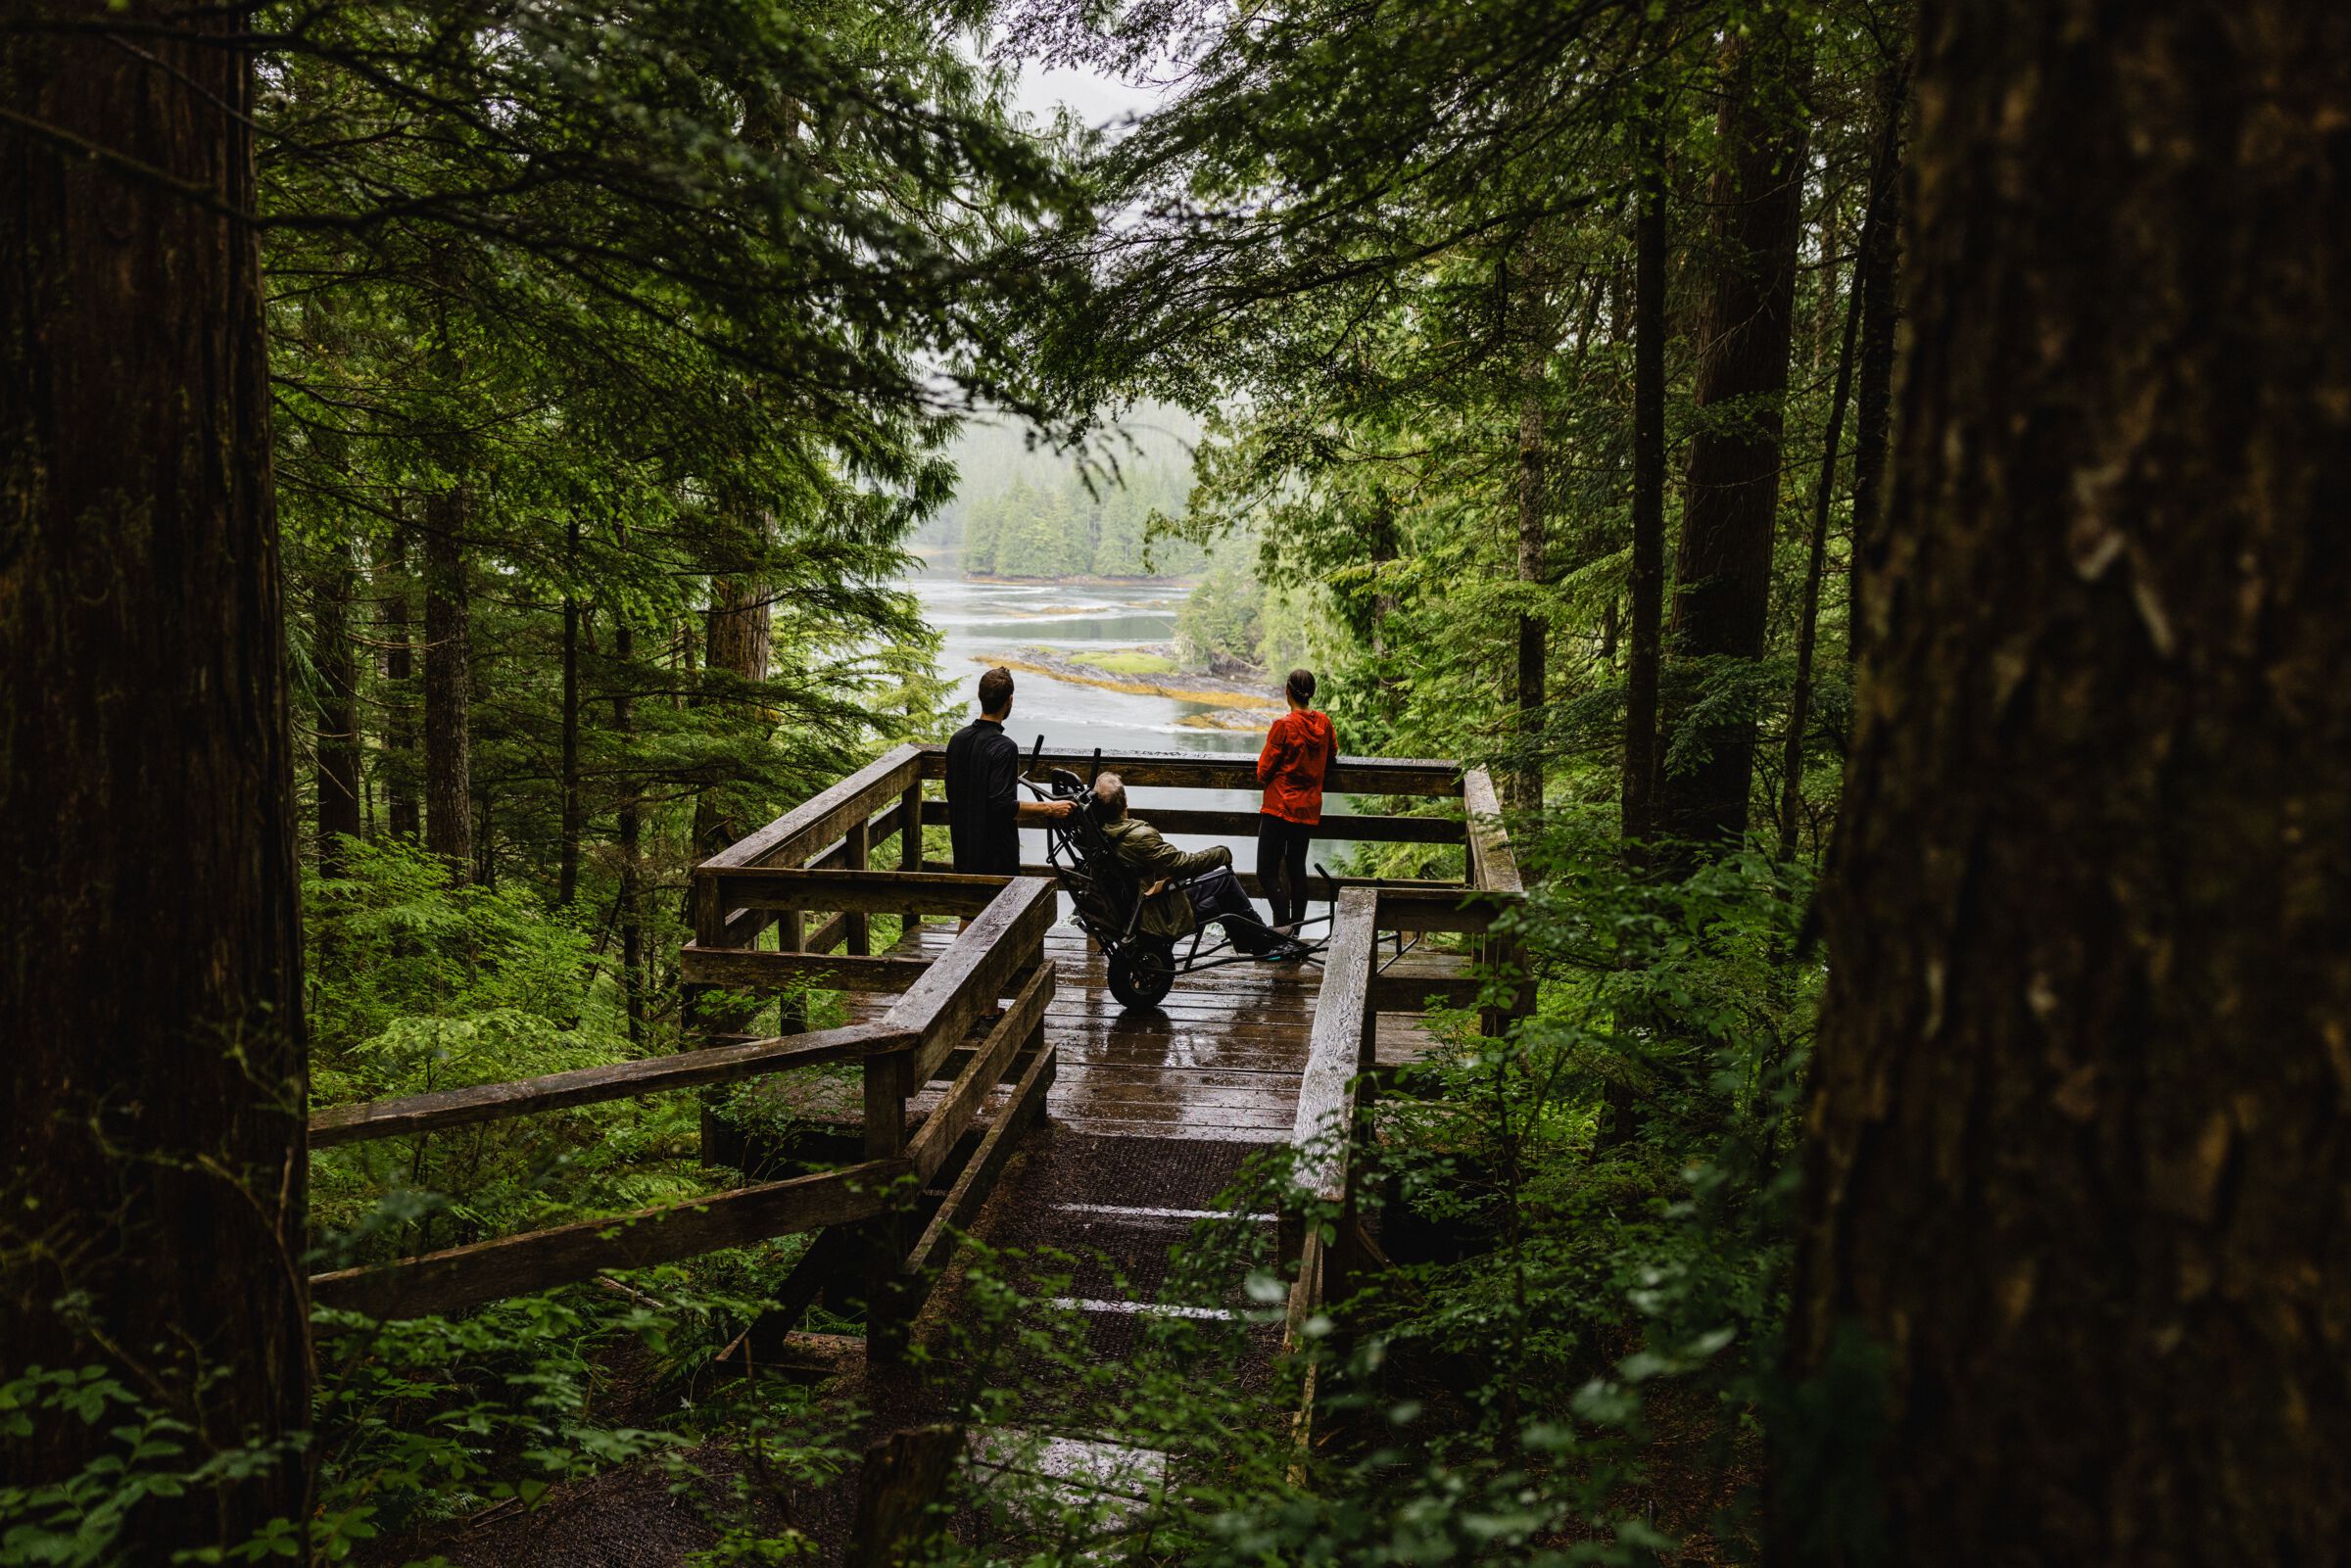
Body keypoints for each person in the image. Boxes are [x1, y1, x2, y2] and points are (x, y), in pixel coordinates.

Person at [1091, 772, 1301, 959]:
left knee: (1218, 896)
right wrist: (1221, 853)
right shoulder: (1138, 837)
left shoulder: (1100, 831)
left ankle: (1256, 939)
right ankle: (1262, 940)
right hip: (1156, 912)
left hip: (1136, 906)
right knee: (1224, 880)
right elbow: (1182, 865)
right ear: (1124, 803)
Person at [944, 665, 1072, 877]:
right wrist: (1050, 808)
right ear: (1009, 700)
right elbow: (1001, 805)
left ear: (979, 695)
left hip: (964, 855)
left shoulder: (957, 740)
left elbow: (952, 792)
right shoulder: (1004, 747)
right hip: (996, 862)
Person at [1255, 668, 1335, 934]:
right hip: (1307, 809)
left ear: (1287, 691)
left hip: (1279, 807)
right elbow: (1332, 754)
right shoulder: (1324, 724)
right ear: (1311, 693)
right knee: (1296, 868)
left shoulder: (1283, 726)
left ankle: (1282, 928)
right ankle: (1296, 931)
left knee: (1266, 871)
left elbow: (1263, 771)